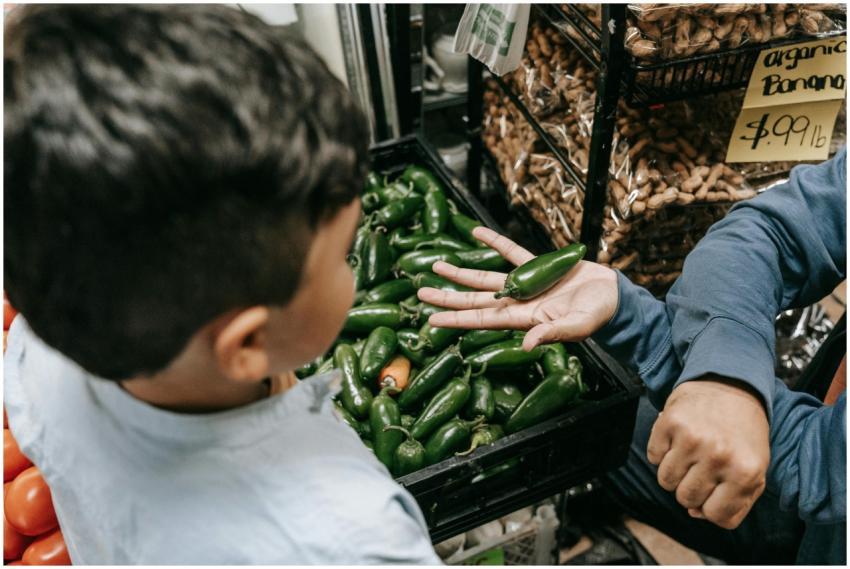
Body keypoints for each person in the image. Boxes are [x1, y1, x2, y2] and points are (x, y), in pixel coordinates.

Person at [4, 5, 439, 564]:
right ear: (246, 345)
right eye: (343, 256)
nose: (352, 272)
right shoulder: (353, 537)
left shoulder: (37, 358)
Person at [420, 148, 846, 564]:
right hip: (795, 466)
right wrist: (721, 375)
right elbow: (769, 232)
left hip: (821, 511)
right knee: (592, 428)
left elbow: (823, 465)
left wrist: (714, 378)